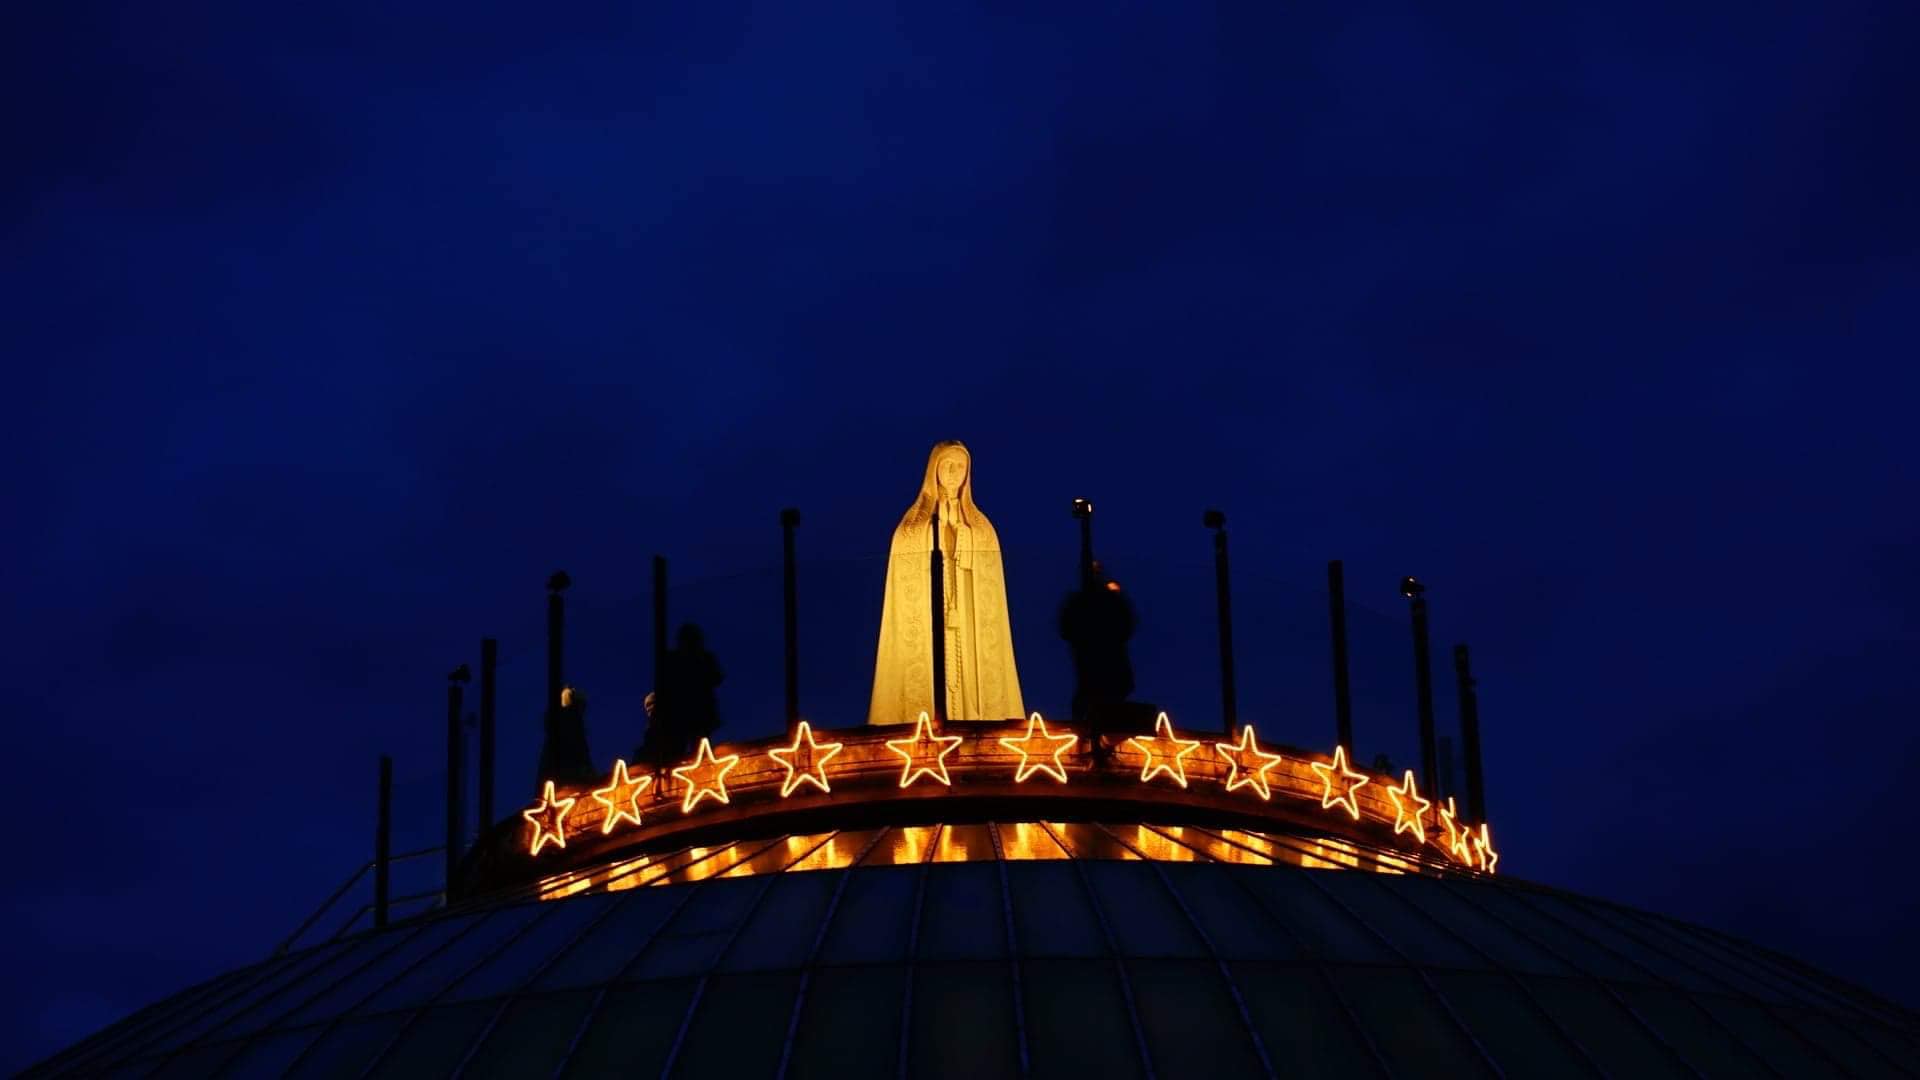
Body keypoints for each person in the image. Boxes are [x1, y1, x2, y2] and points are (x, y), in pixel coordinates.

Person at [869, 441, 1025, 724]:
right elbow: (907, 551)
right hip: (930, 614)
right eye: (948, 466)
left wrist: (964, 535)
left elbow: (988, 579)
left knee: (967, 670)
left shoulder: (981, 527)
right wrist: (936, 530)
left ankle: (975, 716)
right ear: (934, 470)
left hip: (968, 617)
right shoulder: (913, 524)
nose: (954, 473)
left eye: (961, 467)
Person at [1058, 561, 1138, 741]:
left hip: (1103, 656)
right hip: (1096, 656)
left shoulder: (1100, 600)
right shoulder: (1086, 601)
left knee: (1105, 690)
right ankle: (1093, 734)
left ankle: (1101, 734)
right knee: (1095, 691)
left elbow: (1126, 623)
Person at [537, 686, 596, 786]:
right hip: (566, 775)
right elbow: (579, 748)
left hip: (560, 775)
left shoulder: (566, 723)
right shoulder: (569, 721)